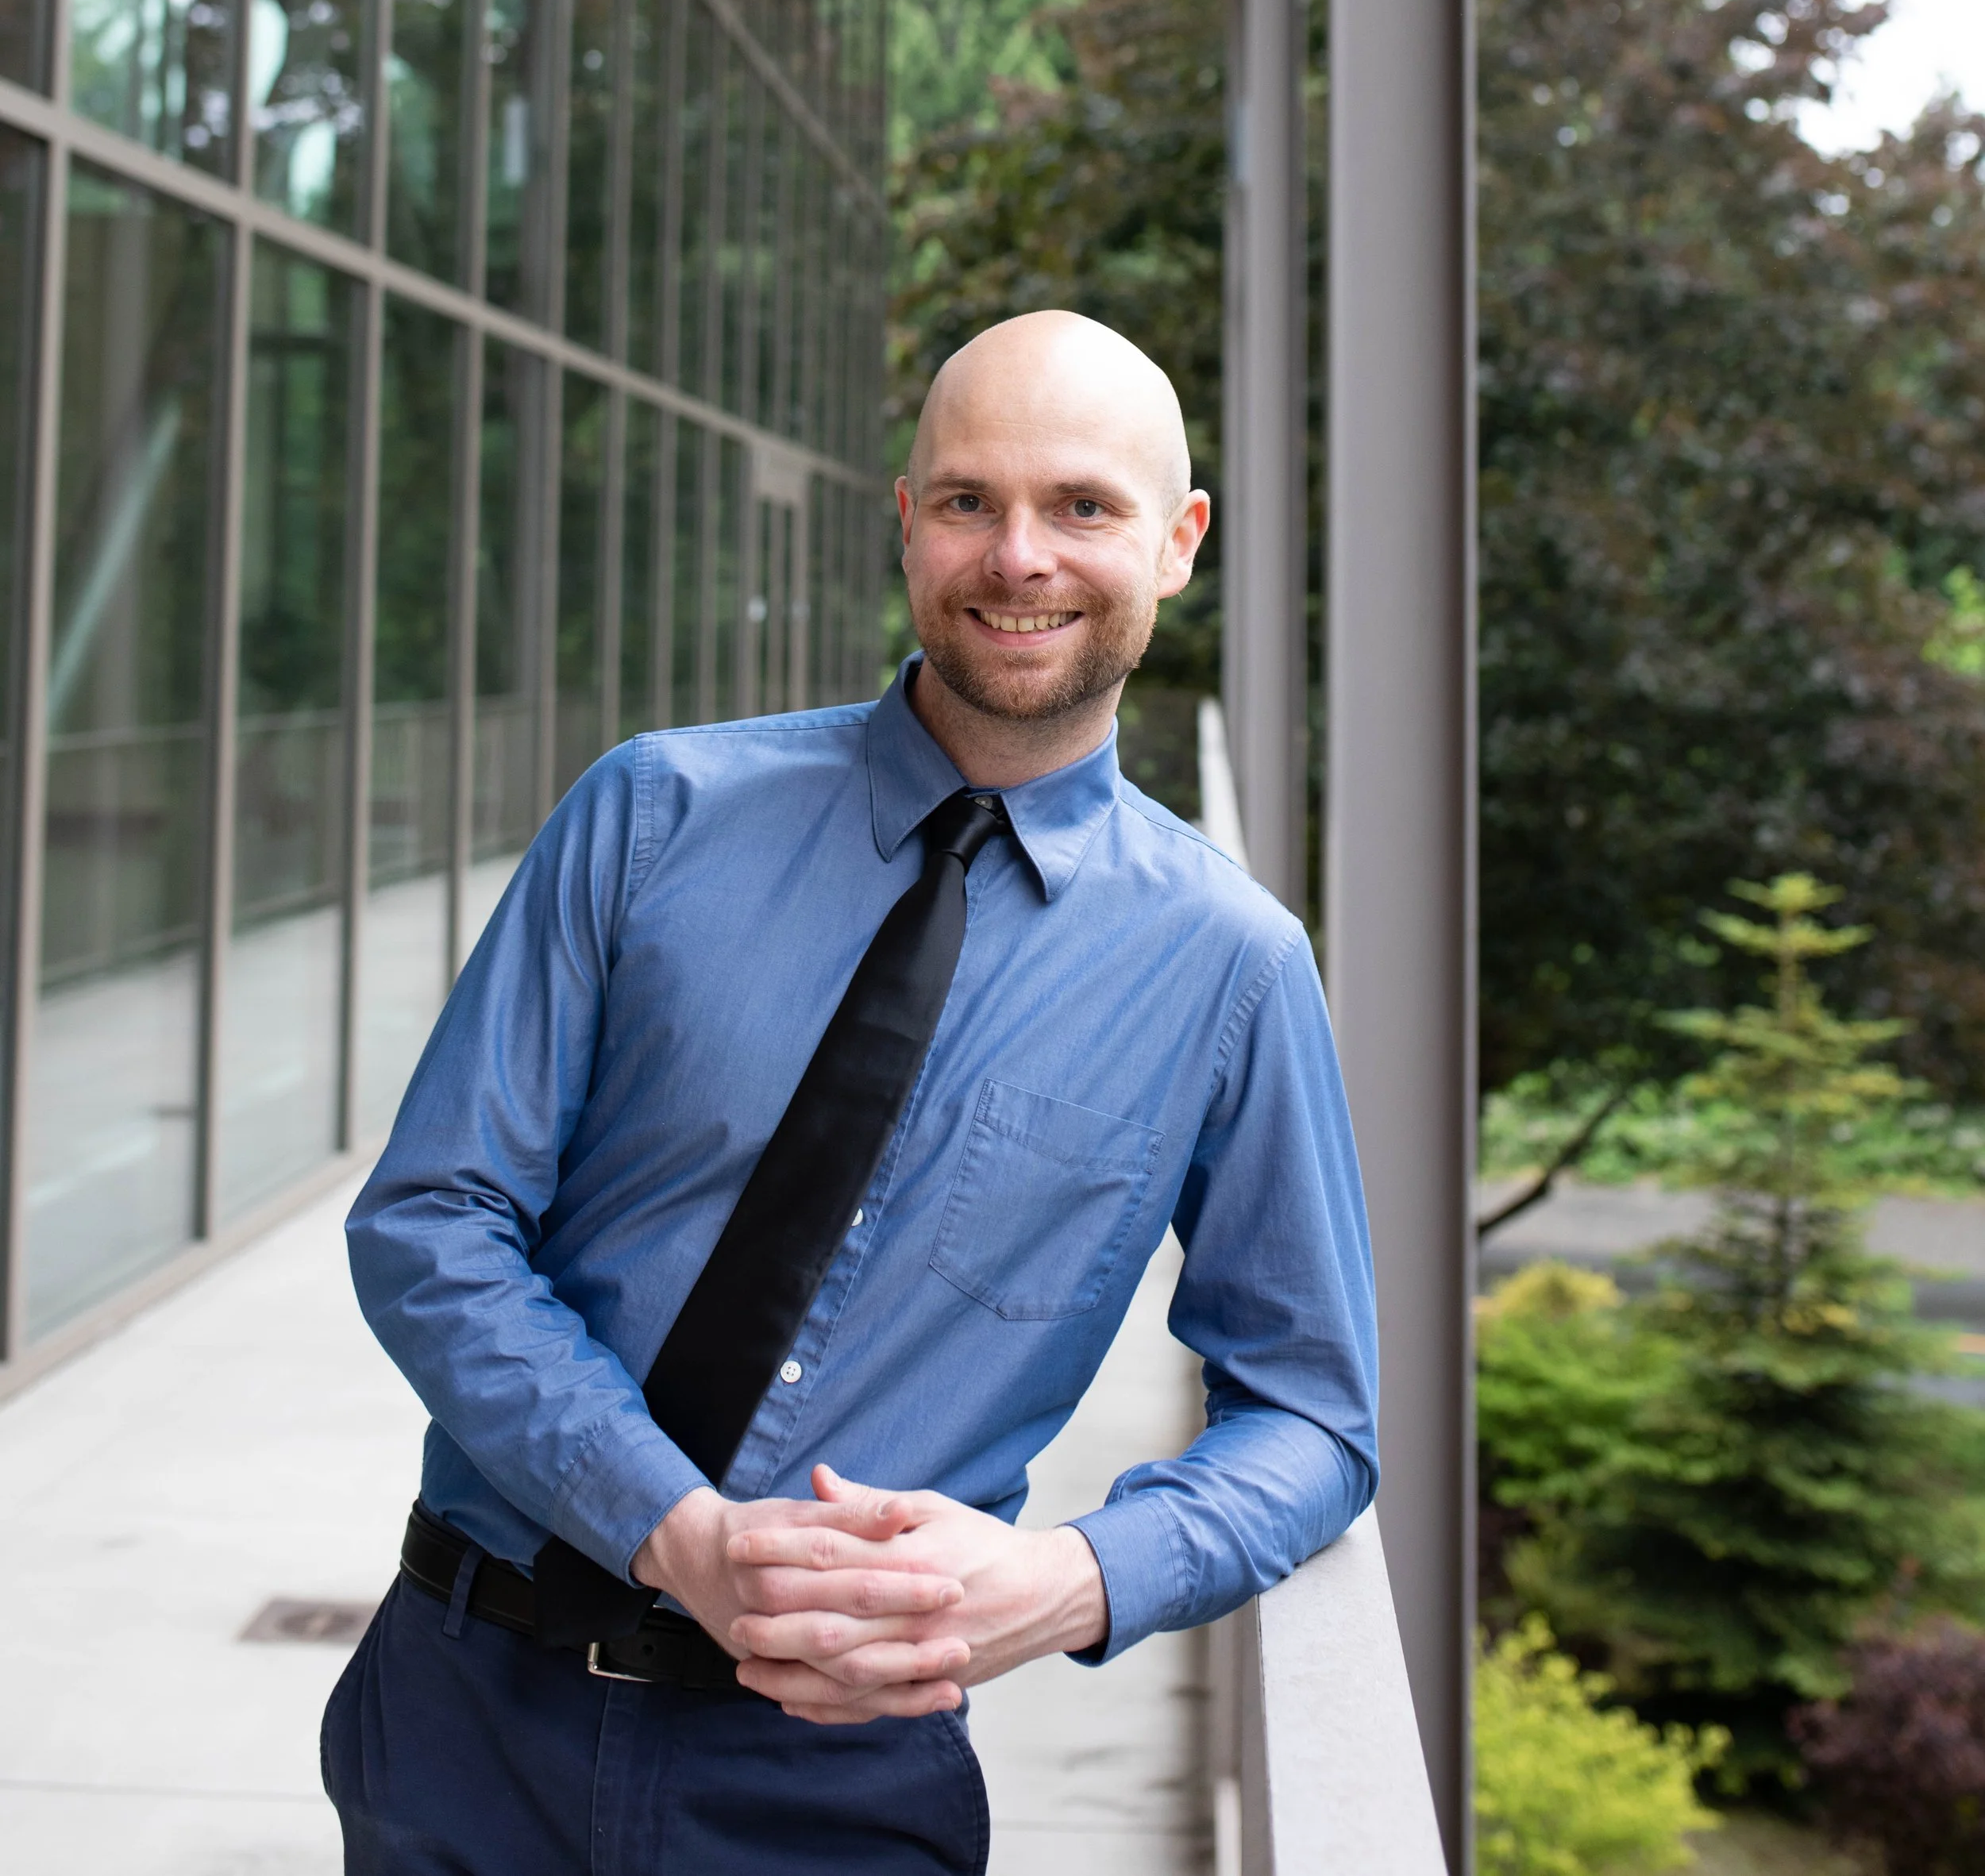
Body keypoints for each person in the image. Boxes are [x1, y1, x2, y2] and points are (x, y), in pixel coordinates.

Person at [326, 310, 1378, 1875]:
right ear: (905, 521)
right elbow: (431, 1222)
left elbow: (1310, 1411)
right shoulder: (651, 813)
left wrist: (1072, 1578)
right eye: (967, 499)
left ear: (1176, 541)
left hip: (835, 1788)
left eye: (1080, 505)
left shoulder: (1228, 965)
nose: (1016, 554)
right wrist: (679, 1532)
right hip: (474, 1712)